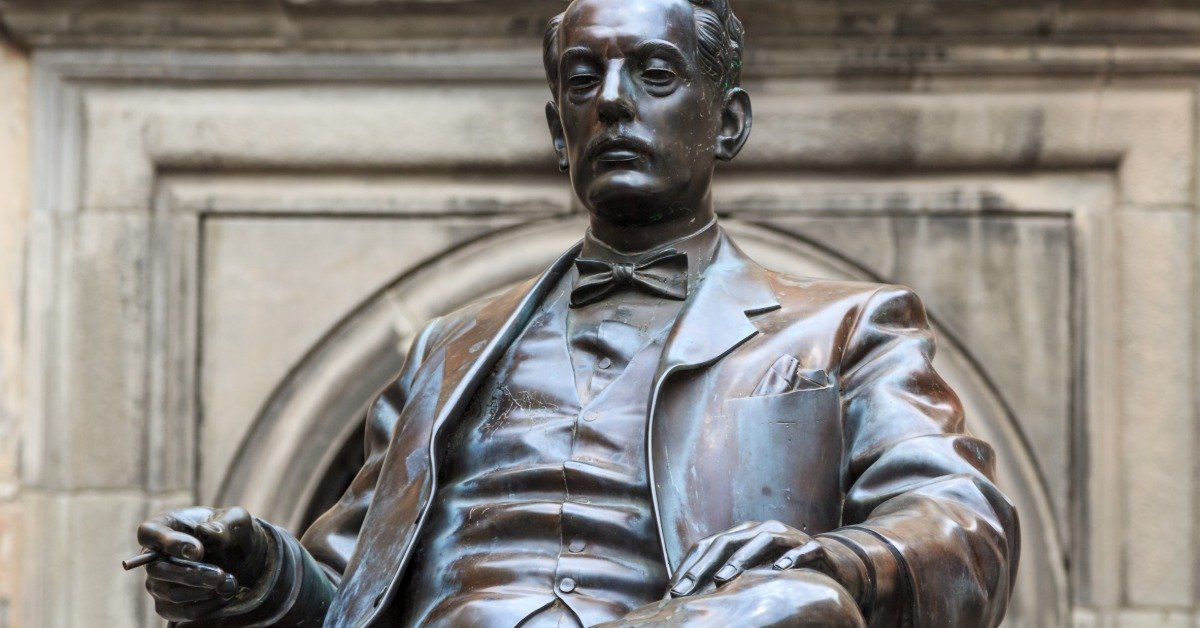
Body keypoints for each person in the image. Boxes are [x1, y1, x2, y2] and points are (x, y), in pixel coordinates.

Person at [133, 0, 1020, 625]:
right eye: (584, 79)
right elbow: (348, 597)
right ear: (560, 131)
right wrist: (255, 574)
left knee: (796, 608)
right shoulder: (452, 349)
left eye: (657, 73)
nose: (613, 102)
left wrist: (840, 558)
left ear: (729, 122)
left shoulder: (846, 329)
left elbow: (963, 529)